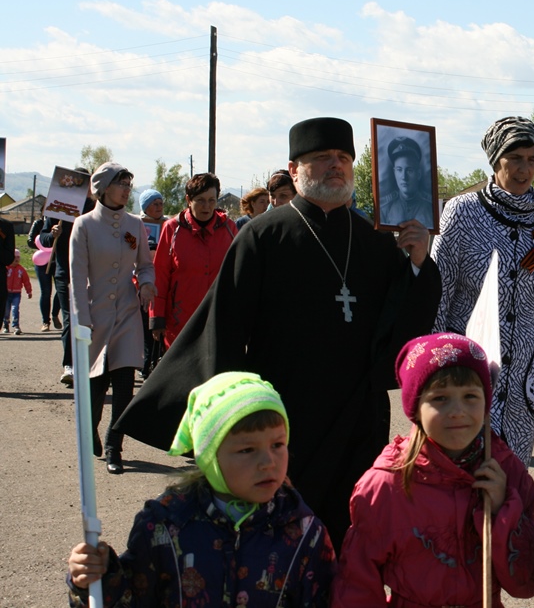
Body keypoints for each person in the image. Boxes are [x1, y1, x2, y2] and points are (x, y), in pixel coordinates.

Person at [115, 116, 441, 547]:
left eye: (343, 158)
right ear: (294, 169)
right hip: (283, 419)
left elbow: (402, 332)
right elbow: (225, 329)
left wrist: (419, 266)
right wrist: (232, 419)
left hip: (356, 420)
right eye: (322, 158)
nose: (335, 166)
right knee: (277, 542)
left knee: (349, 539)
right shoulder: (263, 237)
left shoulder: (377, 242)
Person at [67, 372, 336, 608]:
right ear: (210, 457)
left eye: (277, 444)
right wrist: (94, 580)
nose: (268, 462)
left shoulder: (305, 534)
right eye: (247, 449)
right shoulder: (164, 527)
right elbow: (133, 599)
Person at [334, 332, 534, 606]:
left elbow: (528, 582)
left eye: (470, 395)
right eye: (440, 399)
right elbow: (356, 583)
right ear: (415, 408)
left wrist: (503, 511)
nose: (457, 411)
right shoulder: (387, 485)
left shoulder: (505, 472)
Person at [430, 115, 534, 466]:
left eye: (532, 160)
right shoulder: (462, 213)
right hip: (465, 379)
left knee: (510, 485)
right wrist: (432, 372)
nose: (524, 169)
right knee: (461, 482)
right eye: (515, 158)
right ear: (495, 159)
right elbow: (439, 296)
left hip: (523, 385)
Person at [70, 162, 156, 474]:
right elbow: (78, 277)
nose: (127, 190)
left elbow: (145, 264)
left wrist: (147, 283)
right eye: (122, 184)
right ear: (104, 188)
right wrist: (81, 320)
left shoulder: (135, 223)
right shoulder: (84, 225)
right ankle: (91, 428)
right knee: (96, 386)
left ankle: (113, 446)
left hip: (128, 314)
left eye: (129, 184)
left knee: (124, 385)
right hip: (95, 315)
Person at [149, 173, 237, 350]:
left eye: (212, 200)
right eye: (200, 200)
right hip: (180, 323)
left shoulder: (229, 228)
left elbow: (238, 274)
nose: (207, 206)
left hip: (218, 319)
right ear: (188, 200)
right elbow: (160, 275)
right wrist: (156, 318)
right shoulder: (172, 229)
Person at [38, 169, 96, 385]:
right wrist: (51, 233)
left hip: (91, 272)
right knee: (71, 319)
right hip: (64, 271)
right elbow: (43, 238)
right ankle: (69, 365)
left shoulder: (94, 209)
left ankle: (92, 364)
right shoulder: (56, 208)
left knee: (92, 319)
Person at [138, 189, 168, 377]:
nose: (158, 207)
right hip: (141, 281)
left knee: (159, 325)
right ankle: (145, 363)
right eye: (154, 204)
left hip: (162, 280)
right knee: (145, 325)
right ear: (145, 207)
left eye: (160, 203)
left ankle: (158, 364)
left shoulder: (169, 224)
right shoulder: (137, 225)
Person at [377, 136, 434, 228]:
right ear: (394, 172)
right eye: (399, 170)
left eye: (409, 170)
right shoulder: (385, 209)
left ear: (418, 174)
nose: (404, 177)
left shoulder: (430, 209)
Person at [28, 218, 62, 331]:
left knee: (61, 290)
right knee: (46, 292)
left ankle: (55, 314)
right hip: (42, 261)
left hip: (58, 261)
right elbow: (30, 240)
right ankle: (45, 321)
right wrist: (45, 245)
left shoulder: (61, 222)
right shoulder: (38, 223)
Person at [3, 249, 32, 335]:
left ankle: (16, 326)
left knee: (15, 309)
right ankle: (5, 325)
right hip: (7, 293)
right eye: (15, 257)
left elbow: (26, 281)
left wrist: (29, 291)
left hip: (16, 293)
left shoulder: (21, 270)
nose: (17, 259)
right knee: (6, 310)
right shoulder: (6, 268)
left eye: (18, 257)